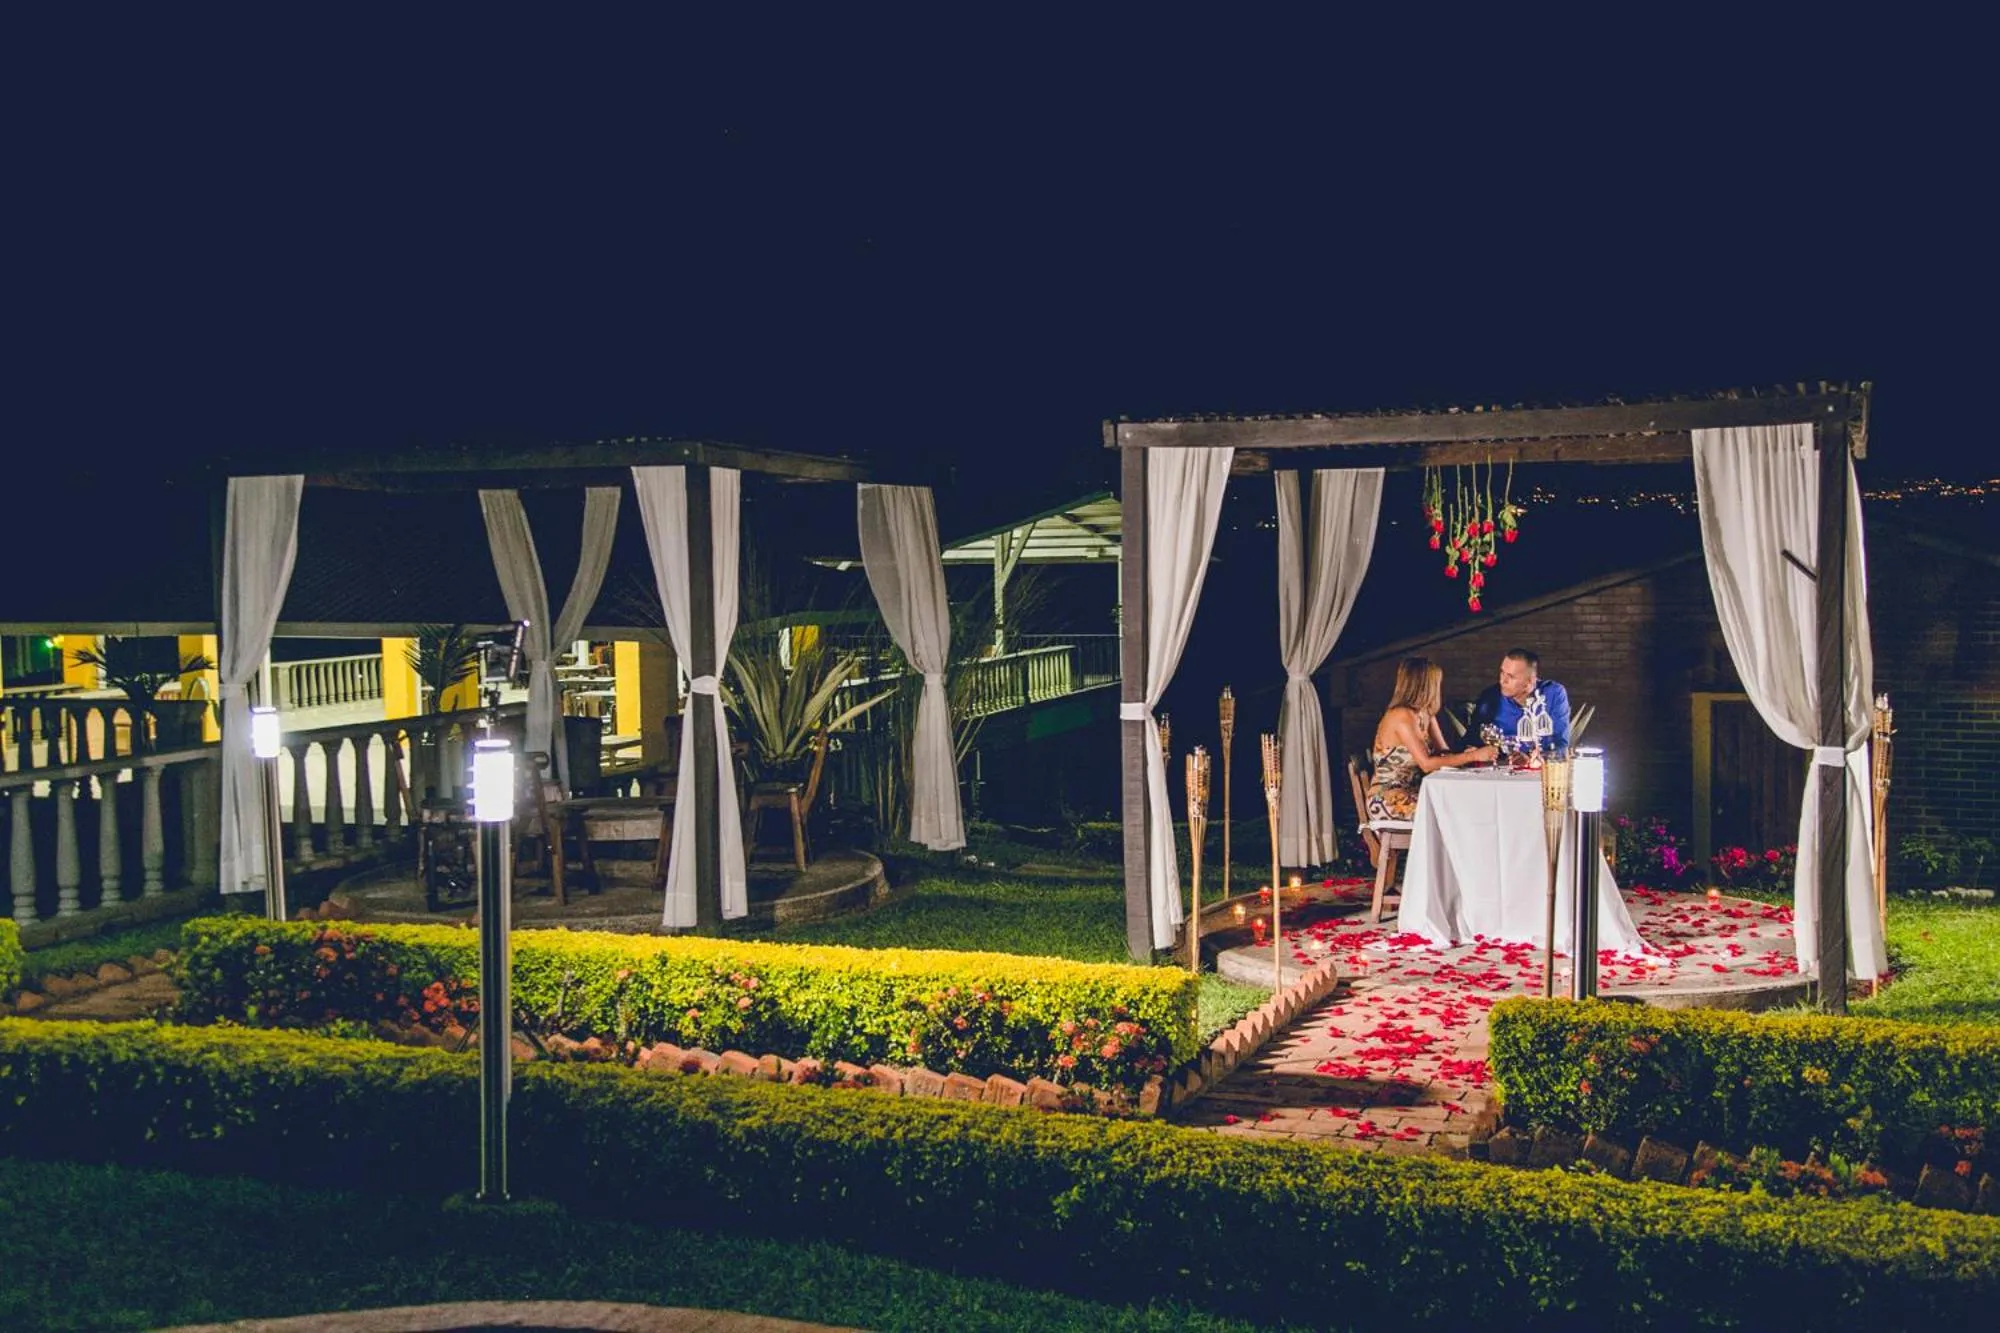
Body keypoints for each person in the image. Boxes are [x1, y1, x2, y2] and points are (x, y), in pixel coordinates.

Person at [1367, 657, 1498, 821]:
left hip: (1418, 791)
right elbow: (1427, 764)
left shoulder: (1425, 713)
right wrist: (1473, 756)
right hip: (1389, 798)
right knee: (1457, 813)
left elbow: (1443, 753)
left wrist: (1466, 755)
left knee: (1467, 805)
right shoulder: (1401, 715)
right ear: (1426, 686)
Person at [1464, 647, 1571, 753]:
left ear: (1529, 682)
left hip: (1542, 766)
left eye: (1510, 676)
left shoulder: (1554, 694)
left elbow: (1560, 744)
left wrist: (1530, 758)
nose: (1502, 681)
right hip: (1503, 767)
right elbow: (1472, 741)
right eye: (1502, 672)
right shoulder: (1490, 697)